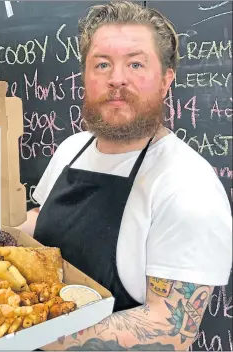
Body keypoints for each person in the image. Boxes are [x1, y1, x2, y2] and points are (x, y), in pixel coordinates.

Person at [18, 1, 233, 351]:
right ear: (85, 77)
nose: (116, 78)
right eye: (102, 64)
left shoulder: (187, 185)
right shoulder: (71, 148)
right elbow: (41, 221)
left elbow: (168, 329)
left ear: (166, 80)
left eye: (135, 63)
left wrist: (13, 335)